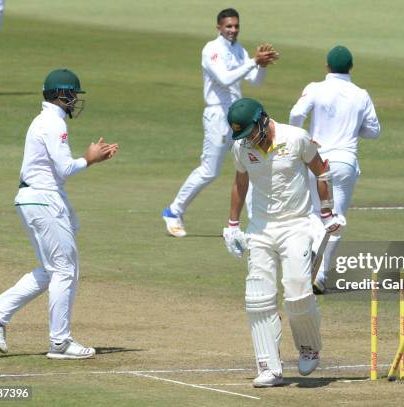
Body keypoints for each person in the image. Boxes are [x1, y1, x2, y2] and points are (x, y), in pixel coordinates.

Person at [0, 68, 119, 359]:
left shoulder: (46, 121)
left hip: (38, 200)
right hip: (42, 201)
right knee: (65, 270)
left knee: (52, 270)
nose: (75, 100)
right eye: (73, 95)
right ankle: (60, 342)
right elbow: (65, 168)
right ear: (61, 95)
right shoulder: (54, 123)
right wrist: (90, 159)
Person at [223, 98, 345, 387]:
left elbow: (321, 170)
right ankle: (268, 367)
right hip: (260, 229)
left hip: (296, 226)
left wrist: (326, 213)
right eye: (243, 135)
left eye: (251, 132)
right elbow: (240, 183)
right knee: (257, 299)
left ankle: (309, 346)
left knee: (297, 292)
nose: (248, 139)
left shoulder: (296, 138)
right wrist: (231, 225)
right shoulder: (241, 148)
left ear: (263, 120)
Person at [162, 8, 278, 237]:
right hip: (217, 115)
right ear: (219, 28)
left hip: (239, 116)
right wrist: (254, 61)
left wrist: (261, 66)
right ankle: (173, 211)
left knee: (252, 163)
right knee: (209, 171)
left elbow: (255, 82)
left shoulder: (239, 50)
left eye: (236, 26)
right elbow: (225, 79)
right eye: (228, 26)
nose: (233, 30)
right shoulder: (211, 50)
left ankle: (257, 223)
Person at [289, 45, 380, 294]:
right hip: (345, 161)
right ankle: (321, 274)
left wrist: (302, 139)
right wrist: (352, 127)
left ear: (327, 66)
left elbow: (296, 113)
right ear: (351, 67)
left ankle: (310, 265)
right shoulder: (361, 94)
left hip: (316, 157)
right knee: (335, 218)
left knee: (314, 214)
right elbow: (374, 131)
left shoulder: (315, 88)